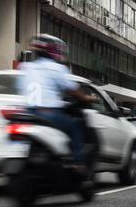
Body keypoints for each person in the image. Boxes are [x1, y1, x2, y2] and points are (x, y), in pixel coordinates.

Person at [16, 34, 87, 167]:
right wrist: (87, 97)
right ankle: (78, 163)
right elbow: (72, 89)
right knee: (76, 128)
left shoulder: (25, 67)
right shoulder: (57, 68)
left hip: (27, 114)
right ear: (54, 51)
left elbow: (20, 88)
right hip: (49, 114)